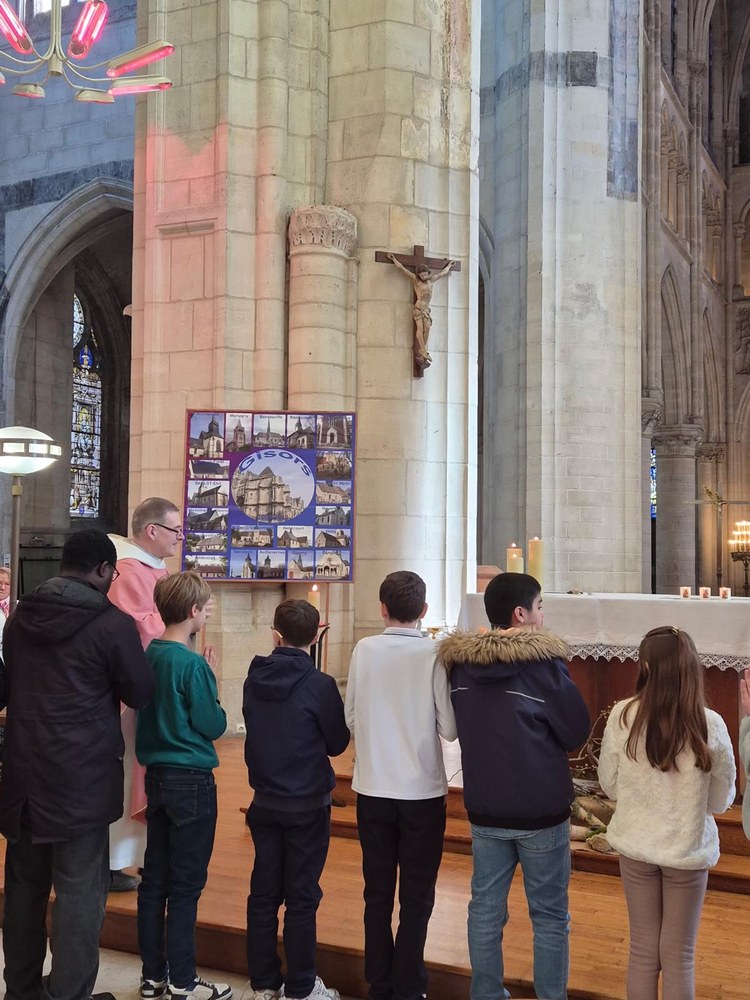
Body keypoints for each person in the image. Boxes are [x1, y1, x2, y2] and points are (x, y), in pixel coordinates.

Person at [0, 529, 155, 1000]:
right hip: (80, 780)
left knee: (23, 890)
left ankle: (21, 991)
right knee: (80, 893)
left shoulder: (20, 616)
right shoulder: (111, 624)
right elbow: (139, 691)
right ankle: (68, 994)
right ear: (104, 570)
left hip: (24, 776)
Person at [438, 572, 590, 1000]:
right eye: (540, 607)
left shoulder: (463, 667)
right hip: (540, 808)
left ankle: (486, 994)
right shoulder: (542, 668)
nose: (543, 616)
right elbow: (575, 730)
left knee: (485, 910)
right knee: (549, 916)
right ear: (520, 614)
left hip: (486, 805)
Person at [597, 625, 736, 1000]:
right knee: (679, 958)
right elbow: (721, 800)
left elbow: (610, 784)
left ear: (644, 666)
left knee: (642, 952)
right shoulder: (710, 723)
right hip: (686, 850)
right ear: (692, 667)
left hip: (636, 845)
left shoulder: (623, 715)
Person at [344, 570, 456, 1000]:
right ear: (424, 611)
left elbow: (350, 717)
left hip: (372, 787)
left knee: (376, 892)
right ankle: (409, 986)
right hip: (421, 792)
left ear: (382, 609)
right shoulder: (434, 653)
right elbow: (449, 729)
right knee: (417, 895)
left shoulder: (364, 649)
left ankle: (379, 983)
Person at [243, 599, 350, 1000]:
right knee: (302, 897)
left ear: (275, 635)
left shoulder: (254, 678)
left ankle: (264, 984)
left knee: (263, 894)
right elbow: (338, 743)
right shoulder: (320, 685)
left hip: (265, 801)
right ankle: (302, 987)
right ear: (318, 637)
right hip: (306, 804)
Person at [136, 571, 230, 1000]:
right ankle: (183, 981)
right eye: (206, 607)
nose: (207, 613)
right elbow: (212, 724)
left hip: (155, 778)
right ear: (193, 611)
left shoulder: (150, 653)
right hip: (191, 780)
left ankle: (153, 977)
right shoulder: (191, 664)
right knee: (186, 886)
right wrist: (212, 680)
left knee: (154, 880)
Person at [107, 496, 183, 892]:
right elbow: (137, 629)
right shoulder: (127, 570)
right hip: (130, 698)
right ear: (152, 530)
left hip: (150, 691)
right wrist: (182, 619)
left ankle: (131, 859)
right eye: (175, 530)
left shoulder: (154, 567)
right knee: (125, 777)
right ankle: (112, 862)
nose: (179, 538)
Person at [385, 253, 456, 369]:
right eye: (421, 275)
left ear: (428, 273)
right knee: (420, 328)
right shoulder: (416, 280)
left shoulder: (432, 280)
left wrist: (449, 266)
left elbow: (443, 273)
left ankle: (422, 350)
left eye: (425, 274)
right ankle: (424, 351)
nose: (423, 277)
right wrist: (394, 259)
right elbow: (402, 268)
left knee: (427, 328)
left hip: (427, 310)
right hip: (418, 308)